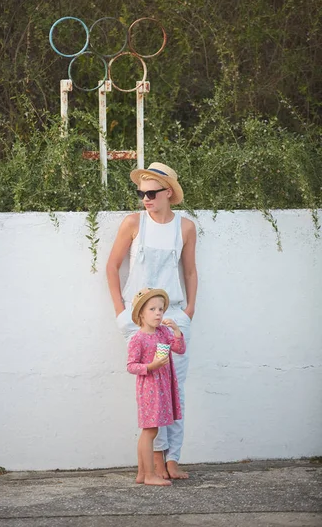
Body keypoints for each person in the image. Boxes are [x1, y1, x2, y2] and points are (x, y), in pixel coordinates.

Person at [106, 162, 197, 479]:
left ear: (168, 193)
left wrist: (188, 312)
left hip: (172, 318)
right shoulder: (134, 223)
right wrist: (121, 312)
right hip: (140, 323)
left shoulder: (184, 228)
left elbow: (189, 271)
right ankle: (157, 462)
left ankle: (173, 458)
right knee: (153, 390)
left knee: (175, 390)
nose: (145, 198)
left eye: (151, 192)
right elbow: (112, 267)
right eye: (141, 192)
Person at [127, 288, 186, 486]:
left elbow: (179, 349)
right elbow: (131, 366)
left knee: (150, 430)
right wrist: (150, 366)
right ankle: (150, 474)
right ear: (141, 314)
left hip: (162, 388)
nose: (158, 313)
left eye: (161, 309)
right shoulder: (138, 338)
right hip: (148, 390)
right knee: (150, 431)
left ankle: (142, 474)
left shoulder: (163, 332)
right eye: (152, 309)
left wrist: (177, 331)